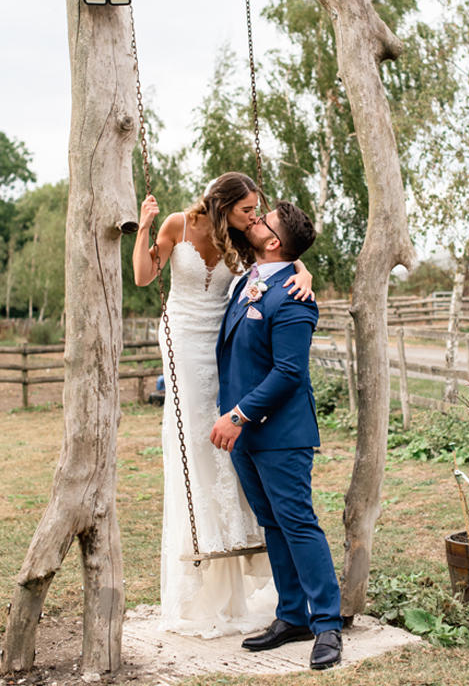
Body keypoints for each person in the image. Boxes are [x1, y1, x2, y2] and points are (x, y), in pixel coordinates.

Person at [132, 173, 314, 638]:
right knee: (192, 438)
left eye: (257, 211)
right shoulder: (178, 224)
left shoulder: (241, 239)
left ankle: (234, 539)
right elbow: (143, 276)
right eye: (247, 209)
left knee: (227, 438)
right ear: (224, 204)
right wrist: (144, 229)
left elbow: (280, 260)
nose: (254, 217)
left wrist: (302, 270)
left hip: (223, 341)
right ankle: (200, 546)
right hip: (182, 337)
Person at [210, 201, 343, 671]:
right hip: (244, 433)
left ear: (273, 241)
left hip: (278, 432)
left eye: (263, 220)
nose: (254, 219)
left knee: (298, 524)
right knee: (272, 524)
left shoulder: (294, 298)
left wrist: (238, 416)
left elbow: (289, 372)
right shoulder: (254, 277)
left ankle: (327, 623)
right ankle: (292, 615)